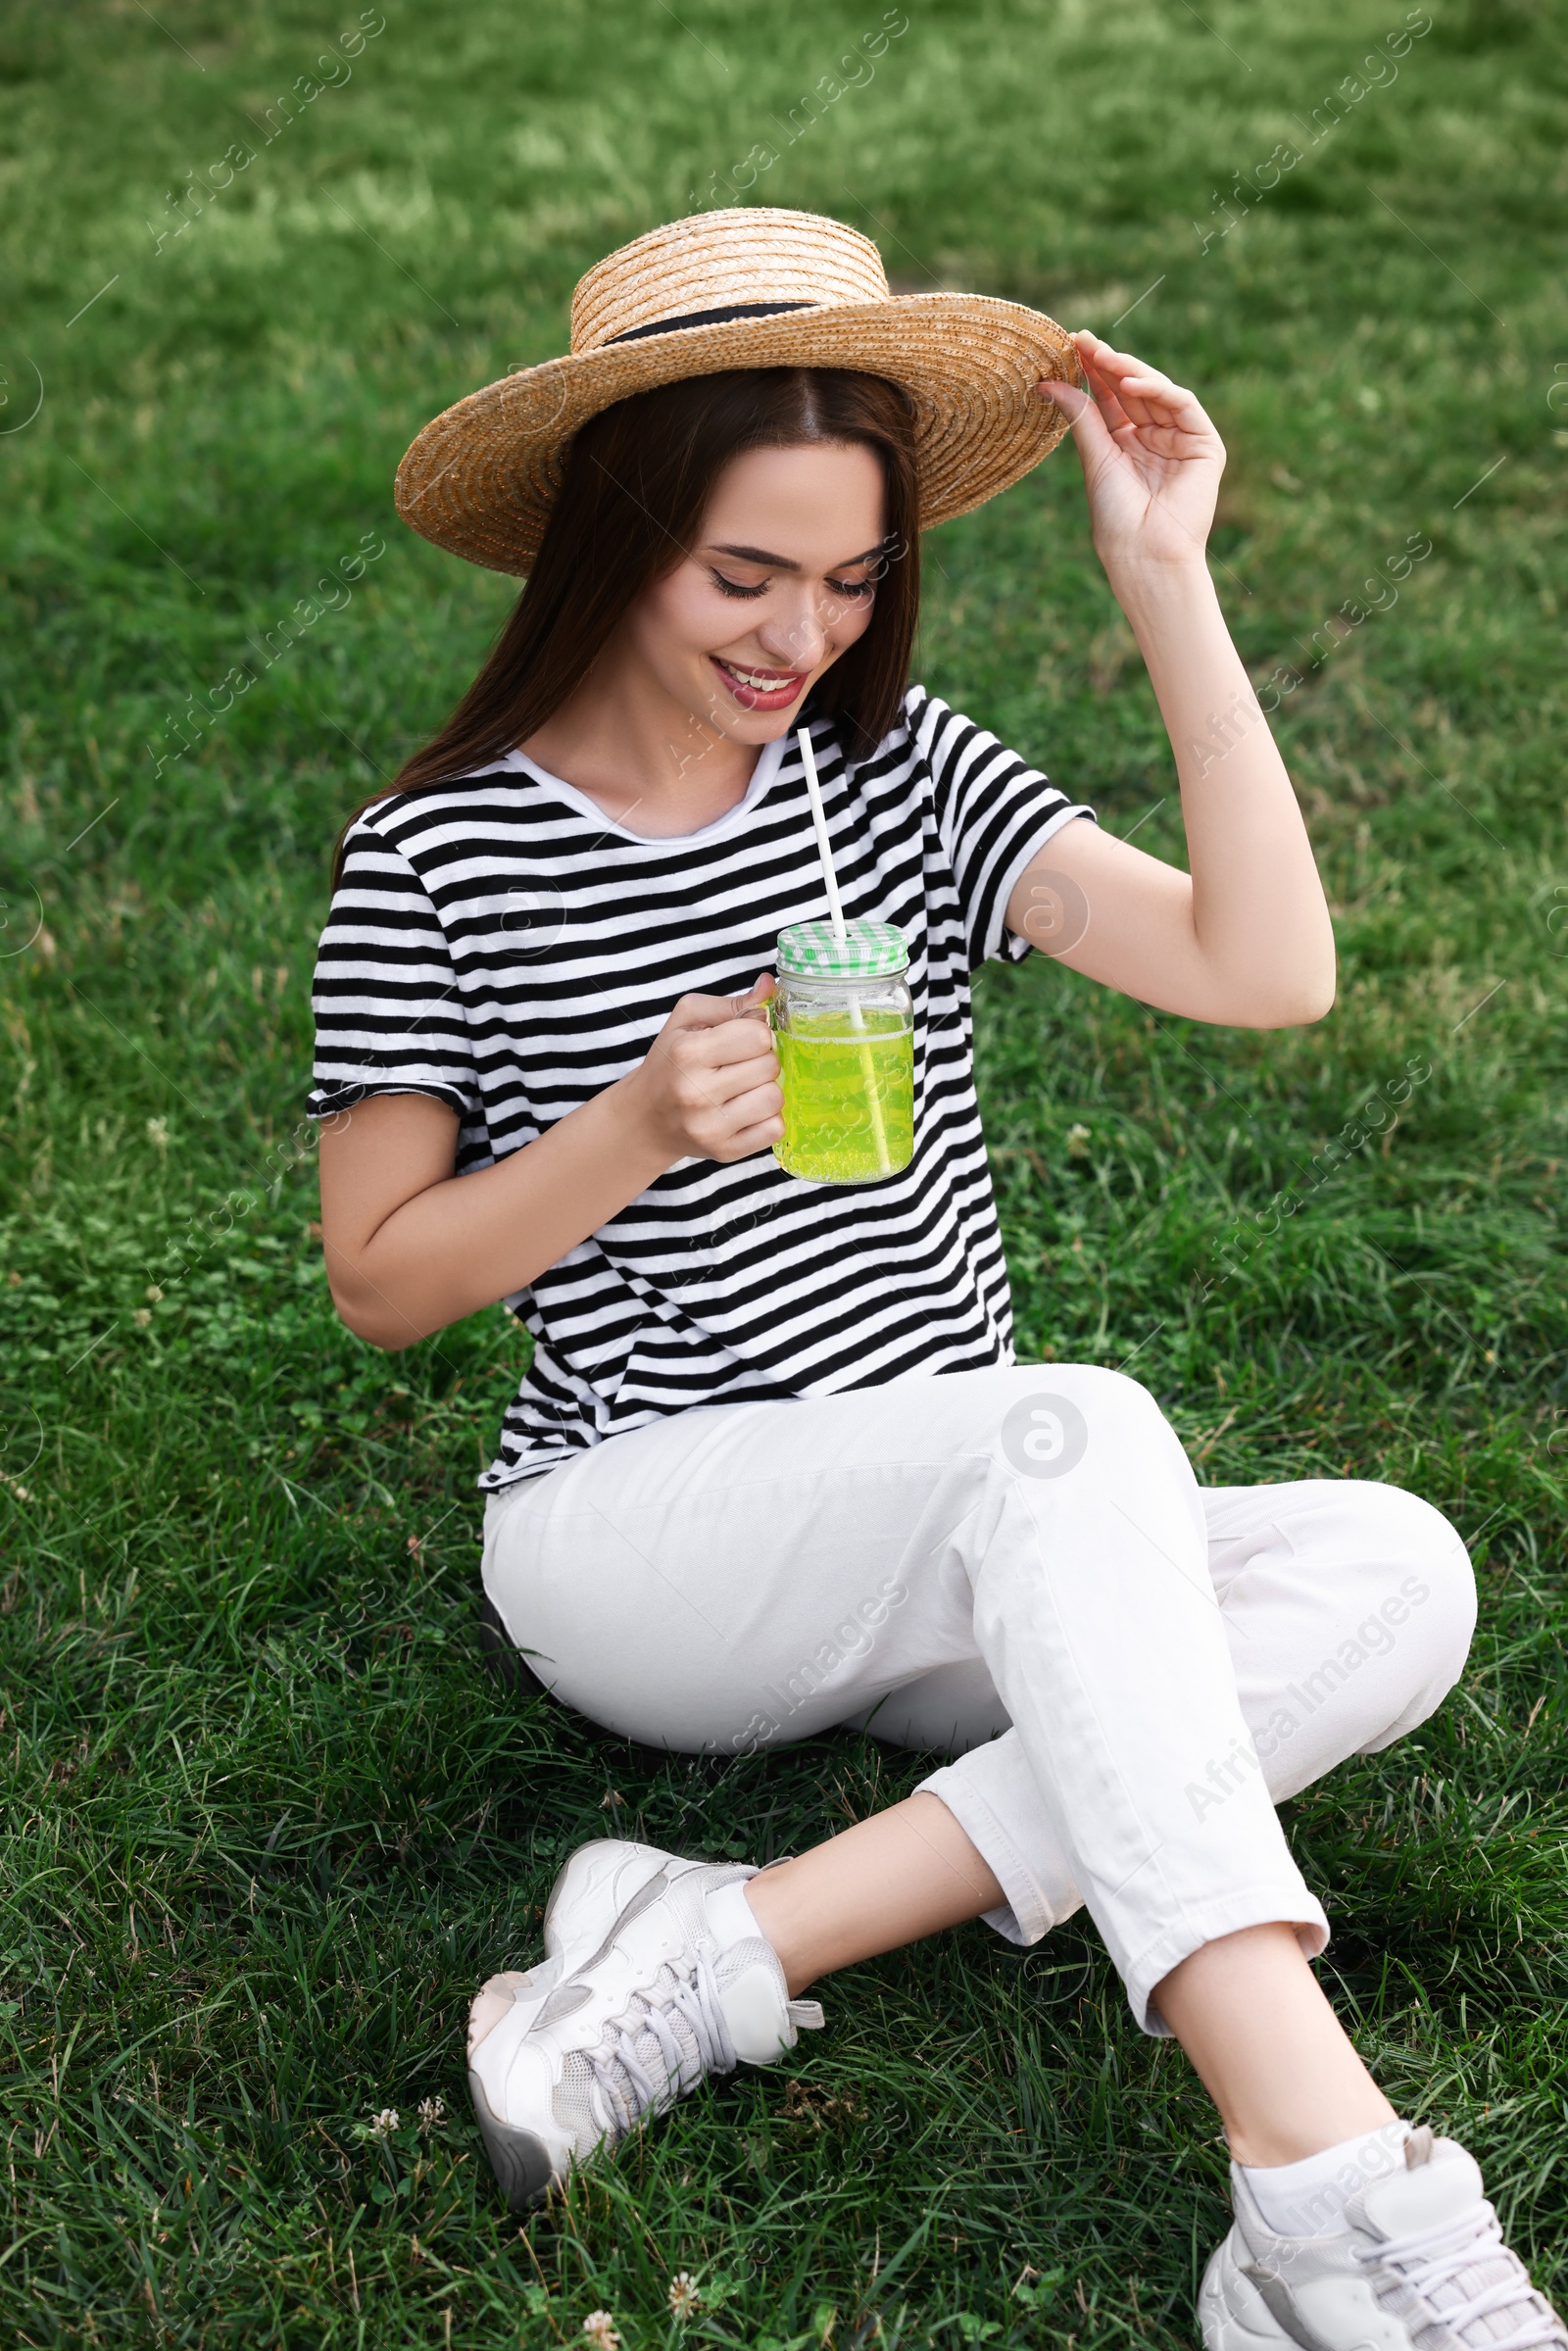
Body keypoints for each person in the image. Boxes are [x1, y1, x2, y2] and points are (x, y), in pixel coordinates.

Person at [307, 208, 1563, 2348]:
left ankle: (720, 1949)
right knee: (1069, 1434)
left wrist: (1164, 584)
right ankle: (1327, 2192)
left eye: (852, 575)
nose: (802, 631)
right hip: (643, 1535)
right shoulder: (431, 854)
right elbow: (382, 1282)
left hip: (944, 1528)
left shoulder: (891, 777)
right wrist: (621, 1129)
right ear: (611, 535)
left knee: (1393, 1574)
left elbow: (1261, 970)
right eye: (743, 574)